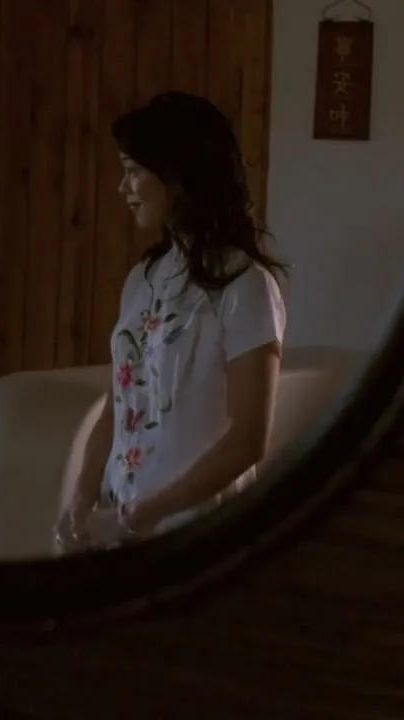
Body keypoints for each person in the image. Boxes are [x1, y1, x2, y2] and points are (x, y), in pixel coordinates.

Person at [55, 92, 288, 553]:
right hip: (122, 526)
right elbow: (117, 406)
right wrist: (81, 500)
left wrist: (146, 515)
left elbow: (248, 439)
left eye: (133, 171)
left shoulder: (245, 285)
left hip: (196, 534)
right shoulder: (143, 278)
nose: (122, 188)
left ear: (179, 176)